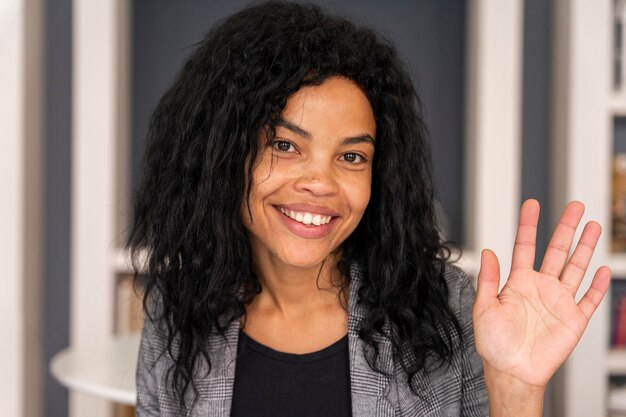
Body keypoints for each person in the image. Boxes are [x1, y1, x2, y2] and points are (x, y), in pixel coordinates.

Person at [127, 2, 611, 416]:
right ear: (224, 154)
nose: (321, 183)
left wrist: (516, 393)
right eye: (285, 145)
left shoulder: (443, 307)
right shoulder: (178, 313)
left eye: (352, 156)